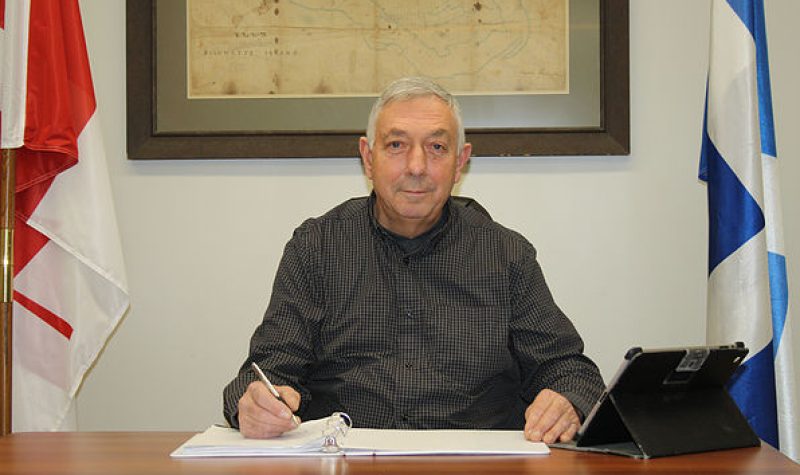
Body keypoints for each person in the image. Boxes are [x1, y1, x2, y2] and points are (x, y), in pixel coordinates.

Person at [223, 76, 604, 443]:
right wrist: (256, 403)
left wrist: (566, 400)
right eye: (396, 146)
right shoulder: (317, 248)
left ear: (460, 162)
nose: (417, 166)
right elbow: (268, 371)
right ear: (368, 158)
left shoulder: (506, 256)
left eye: (437, 148)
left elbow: (569, 371)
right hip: (345, 460)